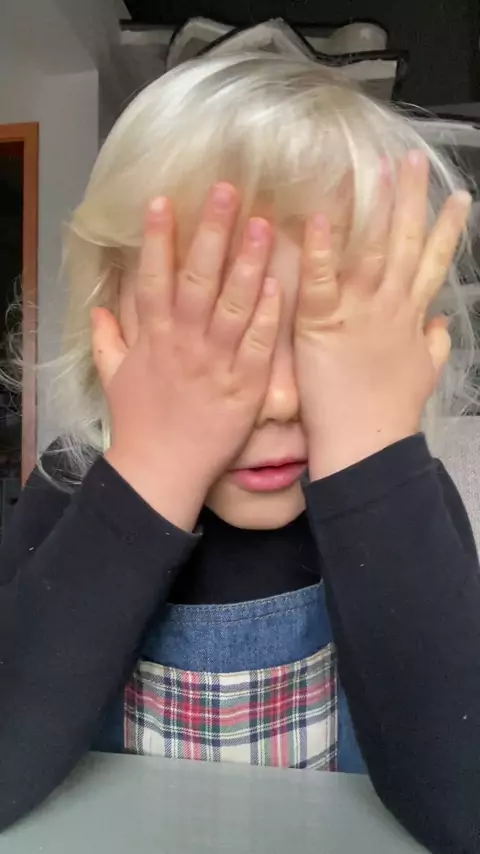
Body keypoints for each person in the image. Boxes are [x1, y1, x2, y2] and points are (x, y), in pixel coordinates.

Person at [1, 51, 479, 853]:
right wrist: (154, 467)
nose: (281, 398)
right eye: (219, 334)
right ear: (111, 327)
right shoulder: (74, 481)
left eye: (328, 339)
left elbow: (463, 812)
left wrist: (370, 459)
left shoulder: (409, 504)